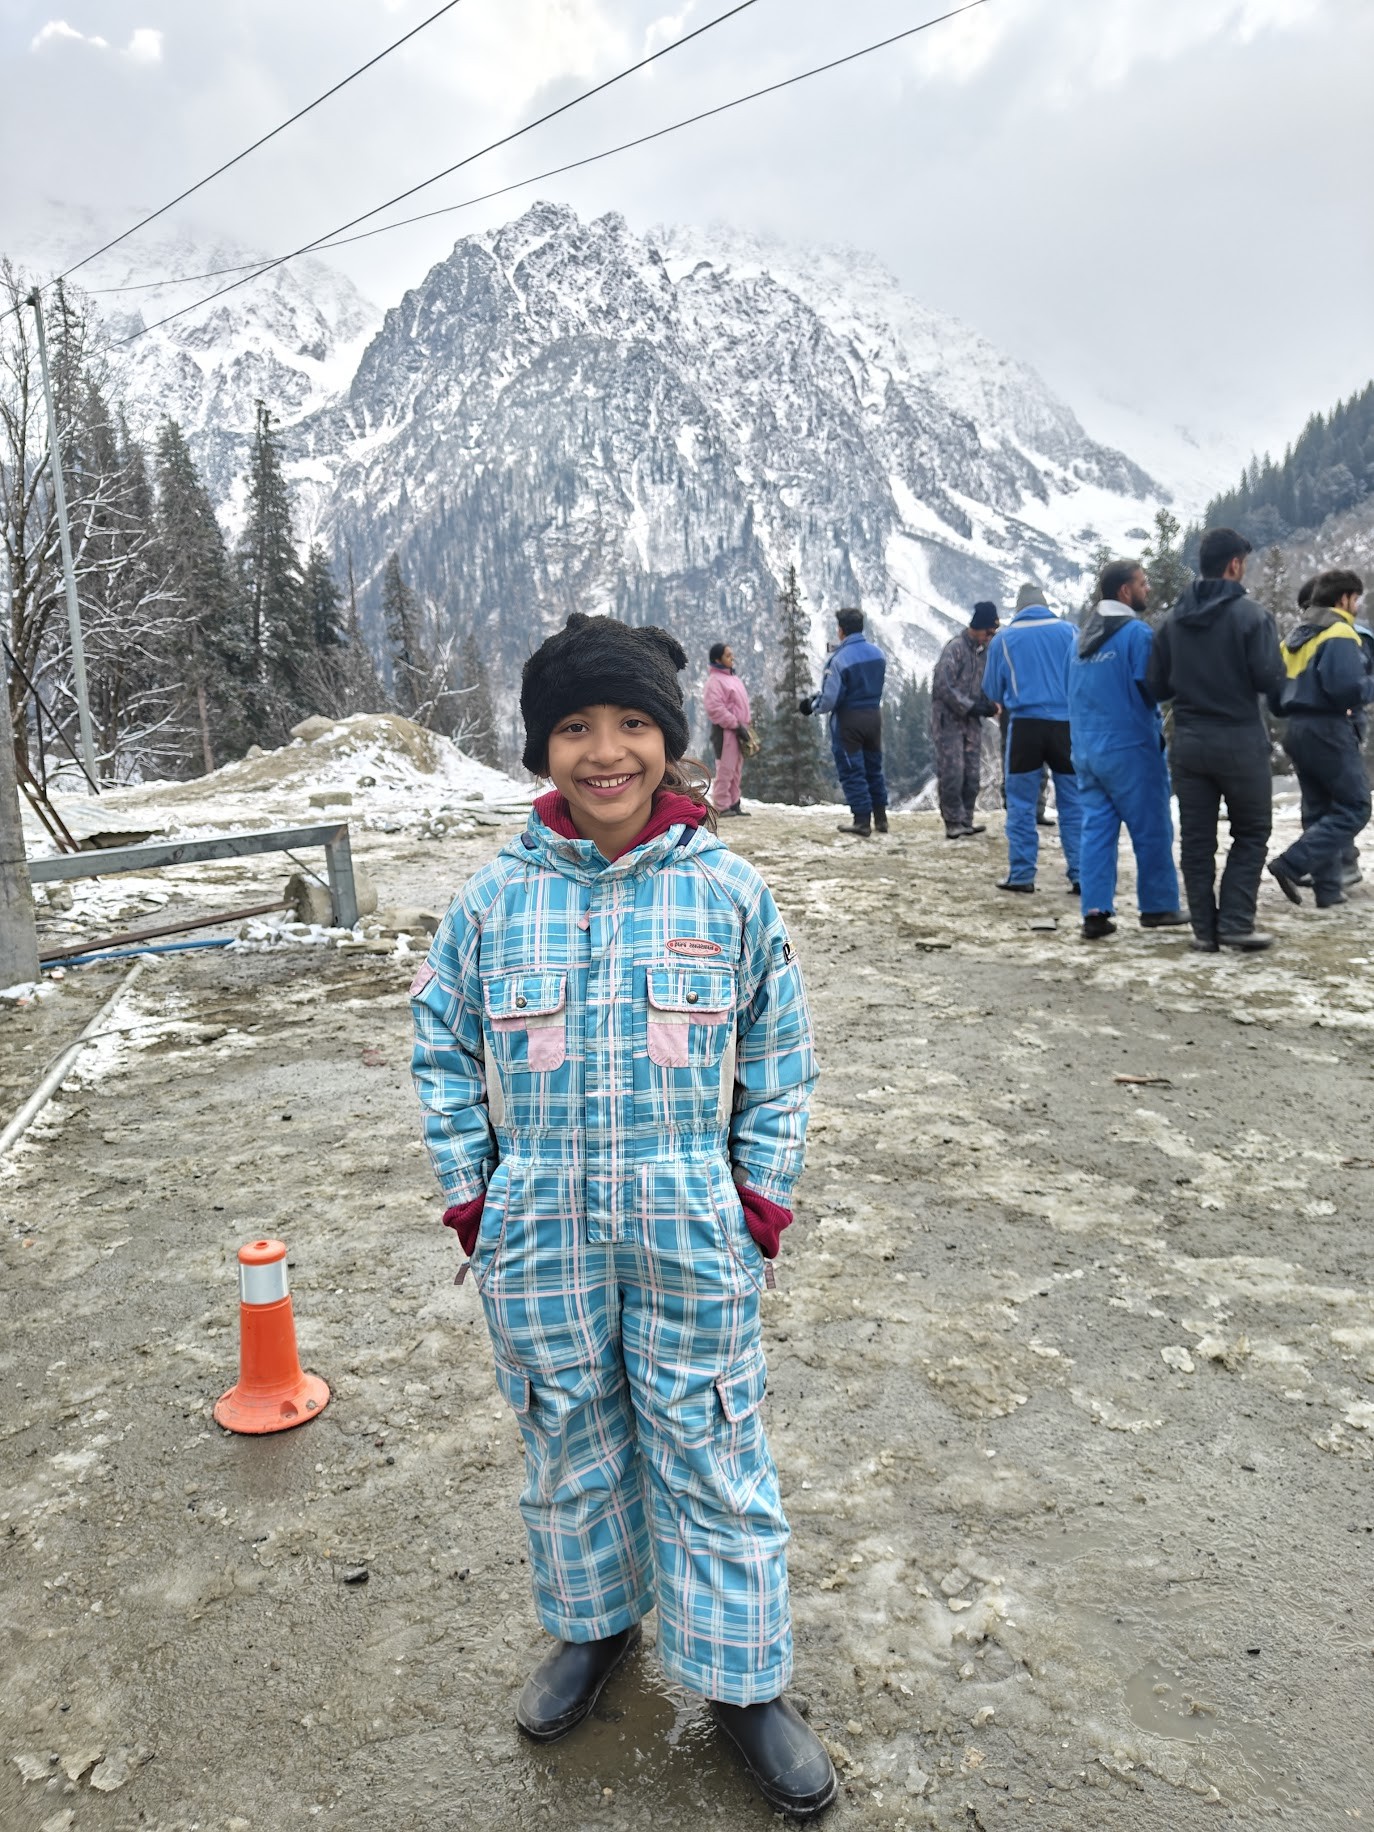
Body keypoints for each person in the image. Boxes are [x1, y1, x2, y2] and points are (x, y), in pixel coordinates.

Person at [410, 613, 836, 1820]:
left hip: (689, 1218)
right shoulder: (494, 900)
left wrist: (757, 1198)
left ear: (672, 737)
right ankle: (595, 1624)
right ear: (542, 747)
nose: (606, 752)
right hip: (539, 1222)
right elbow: (440, 1047)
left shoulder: (728, 891)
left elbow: (782, 1060)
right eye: (575, 727)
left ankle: (743, 1680)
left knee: (710, 1437)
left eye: (634, 722)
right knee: (567, 1431)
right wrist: (475, 1193)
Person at [1146, 527, 1284, 951]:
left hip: (1188, 742)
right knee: (1251, 831)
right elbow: (1269, 679)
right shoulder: (1252, 617)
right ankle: (1236, 923)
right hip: (1240, 740)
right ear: (1234, 565)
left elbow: (1156, 687)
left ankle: (1204, 932)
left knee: (1197, 840)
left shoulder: (1171, 622)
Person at [1068, 560, 1187, 940]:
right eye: (1142, 583)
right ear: (1124, 591)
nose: (1147, 589)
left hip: (1086, 749)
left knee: (1097, 830)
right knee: (1152, 827)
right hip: (1130, 747)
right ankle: (1158, 905)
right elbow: (1153, 687)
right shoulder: (1136, 634)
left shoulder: (1079, 640)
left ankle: (1095, 912)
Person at [1267, 569, 1372, 910]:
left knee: (1319, 810)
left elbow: (1274, 698)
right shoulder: (1340, 632)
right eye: (1356, 598)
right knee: (1356, 807)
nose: (1357, 605)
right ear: (1344, 599)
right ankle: (1291, 863)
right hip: (1329, 728)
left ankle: (1328, 891)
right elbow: (1346, 690)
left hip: (1296, 729)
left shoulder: (1293, 638)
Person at [980, 582, 1082, 892]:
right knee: (1073, 802)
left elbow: (992, 690)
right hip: (1066, 727)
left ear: (1019, 608)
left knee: (1021, 802)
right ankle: (1082, 873)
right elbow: (1082, 678)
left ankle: (1023, 875)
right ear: (1045, 605)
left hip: (1025, 727)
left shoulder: (1004, 639)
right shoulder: (1071, 632)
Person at [800, 607, 888, 837]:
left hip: (849, 720)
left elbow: (829, 700)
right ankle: (881, 818)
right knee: (874, 768)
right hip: (874, 716)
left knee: (852, 769)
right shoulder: (878, 654)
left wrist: (812, 705)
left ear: (841, 630)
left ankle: (862, 821)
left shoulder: (839, 660)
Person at [931, 601, 999, 838]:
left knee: (972, 774)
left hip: (971, 723)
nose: (989, 637)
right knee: (953, 771)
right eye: (988, 632)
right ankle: (952, 821)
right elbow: (943, 685)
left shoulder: (983, 654)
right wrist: (970, 706)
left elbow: (983, 685)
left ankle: (966, 819)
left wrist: (988, 705)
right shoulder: (955, 649)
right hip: (949, 721)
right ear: (977, 627)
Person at [704, 640, 752, 818]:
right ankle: (721, 805)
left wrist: (744, 726)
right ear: (718, 659)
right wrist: (735, 724)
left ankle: (733, 803)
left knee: (736, 769)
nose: (732, 658)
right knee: (726, 768)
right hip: (725, 731)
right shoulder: (715, 681)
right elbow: (715, 708)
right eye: (728, 655)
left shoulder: (732, 678)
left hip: (739, 730)